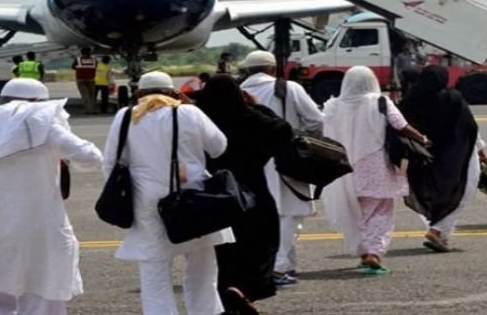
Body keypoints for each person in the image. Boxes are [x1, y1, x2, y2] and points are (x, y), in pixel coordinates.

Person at [0, 78, 103, 315]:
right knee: (43, 298)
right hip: (40, 230)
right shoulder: (43, 126)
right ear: (39, 104)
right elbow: (92, 158)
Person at [102, 71, 231, 315]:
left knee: (154, 270)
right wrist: (189, 107)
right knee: (202, 267)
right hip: (193, 197)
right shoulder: (188, 113)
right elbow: (218, 147)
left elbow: (111, 163)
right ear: (174, 92)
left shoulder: (125, 116)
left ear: (139, 94)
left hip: (146, 200)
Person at [193, 74, 293, 314]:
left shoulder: (202, 120)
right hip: (252, 190)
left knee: (224, 251)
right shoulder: (251, 119)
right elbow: (283, 131)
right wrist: (256, 105)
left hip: (215, 193)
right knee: (263, 243)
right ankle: (244, 289)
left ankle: (227, 294)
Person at [321, 66, 426, 273]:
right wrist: (422, 139)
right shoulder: (379, 101)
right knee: (380, 210)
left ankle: (362, 252)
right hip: (376, 164)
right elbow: (400, 125)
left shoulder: (333, 105)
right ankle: (374, 252)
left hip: (344, 166)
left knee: (355, 212)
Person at [239, 51, 323, 285]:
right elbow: (316, 119)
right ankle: (276, 268)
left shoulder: (238, 91)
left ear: (247, 70)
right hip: (286, 159)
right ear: (273, 69)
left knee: (266, 216)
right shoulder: (289, 88)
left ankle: (286, 265)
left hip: (250, 162)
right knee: (290, 214)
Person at [399, 65, 486, 252]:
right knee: (462, 191)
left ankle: (442, 235)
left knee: (434, 193)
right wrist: (481, 150)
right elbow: (471, 127)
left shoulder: (410, 100)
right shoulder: (453, 98)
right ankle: (437, 231)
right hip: (456, 156)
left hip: (424, 156)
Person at [72, 48, 98, 115]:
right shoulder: (94, 59)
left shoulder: (78, 59)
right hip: (91, 79)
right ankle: (92, 110)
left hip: (81, 79)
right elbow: (96, 66)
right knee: (92, 95)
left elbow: (73, 67)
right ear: (90, 52)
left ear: (81, 53)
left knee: (85, 95)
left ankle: (88, 110)